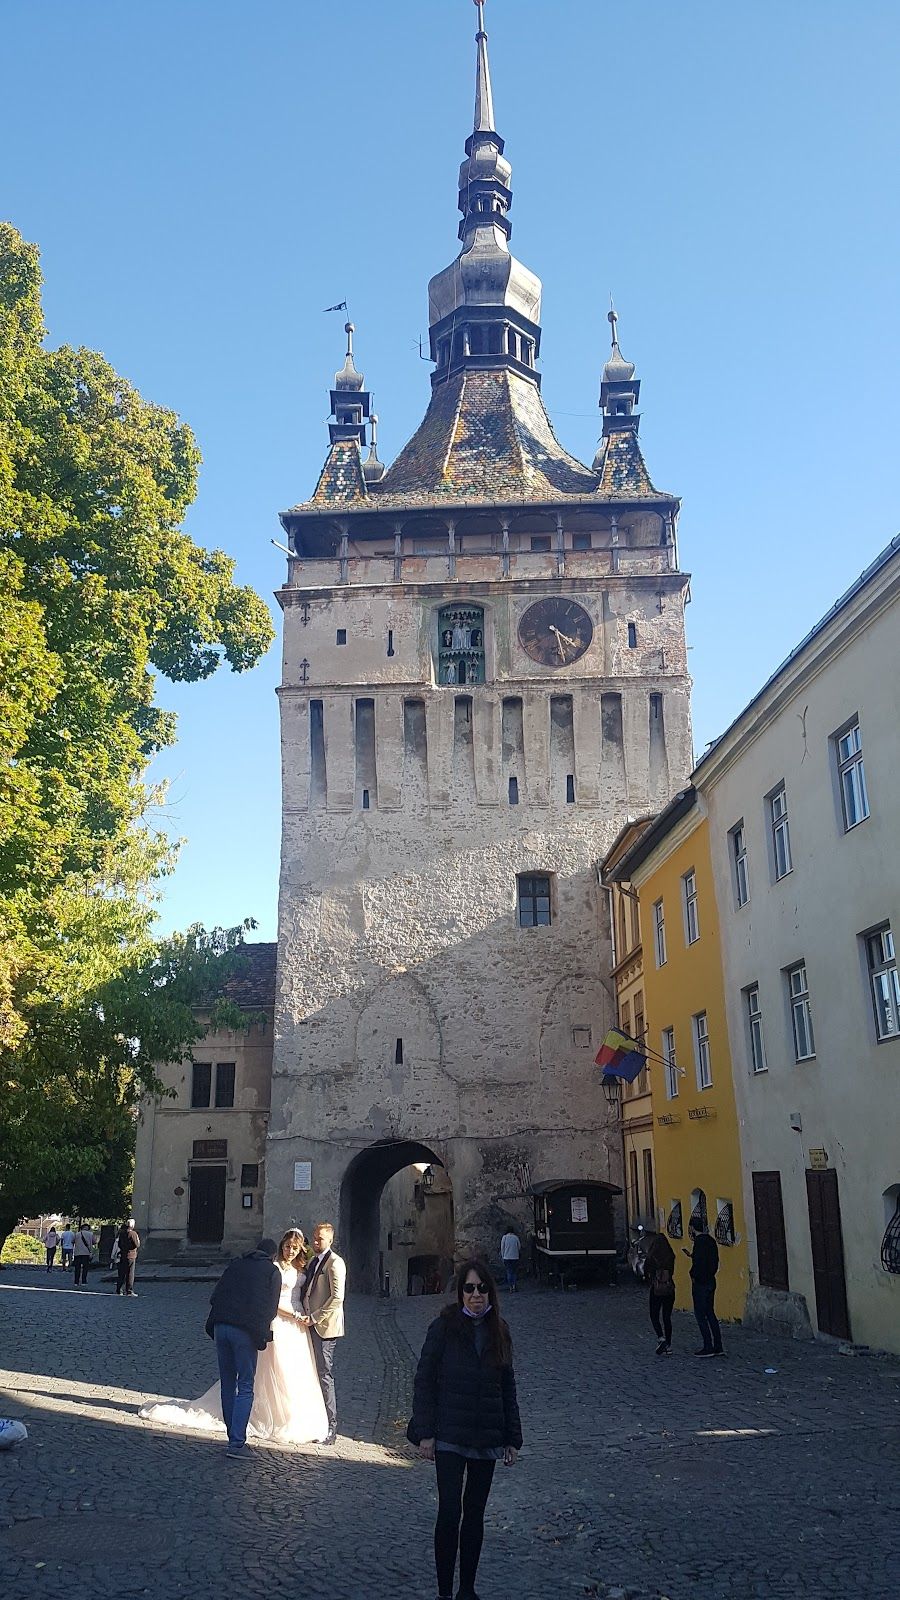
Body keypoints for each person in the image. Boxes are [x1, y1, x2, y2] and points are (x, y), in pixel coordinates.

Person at [141, 1231, 328, 1451]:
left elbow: (217, 1295)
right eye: (287, 1246)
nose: (290, 1251)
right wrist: (269, 1328)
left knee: (242, 1379)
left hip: (230, 1326)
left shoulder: (237, 1264)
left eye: (294, 1248)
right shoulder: (272, 1270)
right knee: (249, 1381)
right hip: (259, 1326)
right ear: (276, 1250)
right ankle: (236, 1439)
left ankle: (241, 1430)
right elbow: (269, 1307)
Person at [408, 1259, 522, 1600]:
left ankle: (467, 1589)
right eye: (469, 1288)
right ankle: (445, 1590)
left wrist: (512, 1438)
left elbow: (507, 1386)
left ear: (490, 1292)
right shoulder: (443, 1327)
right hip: (449, 1435)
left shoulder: (499, 1330)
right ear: (460, 1293)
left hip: (486, 1436)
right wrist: (425, 1431)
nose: (476, 1295)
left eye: (482, 1288)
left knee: (474, 1515)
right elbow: (424, 1379)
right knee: (449, 1512)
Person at [297, 1221, 346, 1446]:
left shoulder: (335, 1263)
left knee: (325, 1374)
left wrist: (315, 1317)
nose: (316, 1242)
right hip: (308, 1323)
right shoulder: (313, 1261)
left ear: (330, 1240)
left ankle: (331, 1427)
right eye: (314, 1238)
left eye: (320, 1239)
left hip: (324, 1327)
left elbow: (337, 1298)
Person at [684, 1218, 723, 1357]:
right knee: (710, 1313)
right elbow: (713, 1261)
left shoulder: (699, 1243)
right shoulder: (711, 1241)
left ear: (693, 1228)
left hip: (701, 1283)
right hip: (711, 1281)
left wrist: (693, 1275)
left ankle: (708, 1346)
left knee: (701, 1315)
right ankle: (718, 1345)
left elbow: (699, 1264)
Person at [645, 1230, 677, 1354]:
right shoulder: (670, 1256)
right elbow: (671, 1272)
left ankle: (660, 1337)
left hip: (656, 1288)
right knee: (667, 1317)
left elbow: (646, 1271)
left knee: (654, 1314)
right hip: (669, 1288)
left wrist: (651, 1279)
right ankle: (668, 1345)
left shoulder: (652, 1256)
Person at [115, 1218, 141, 1297]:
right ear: (132, 1225)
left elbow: (119, 1244)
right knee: (130, 1273)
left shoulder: (122, 1233)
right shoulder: (133, 1233)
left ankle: (119, 1289)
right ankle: (129, 1290)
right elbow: (137, 1244)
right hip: (131, 1255)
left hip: (123, 1254)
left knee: (121, 1273)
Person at [72, 1222, 94, 1287]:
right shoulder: (91, 1234)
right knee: (85, 1268)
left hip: (77, 1253)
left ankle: (76, 1282)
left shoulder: (77, 1234)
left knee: (77, 1268)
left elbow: (72, 1241)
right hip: (86, 1253)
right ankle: (84, 1281)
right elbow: (94, 1241)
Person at [499, 1227, 521, 1291]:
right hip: (515, 1257)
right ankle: (514, 1285)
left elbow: (502, 1248)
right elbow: (519, 1247)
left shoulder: (504, 1238)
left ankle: (510, 1286)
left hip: (507, 1257)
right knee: (514, 1272)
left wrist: (503, 1256)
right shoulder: (516, 1237)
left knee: (509, 1271)